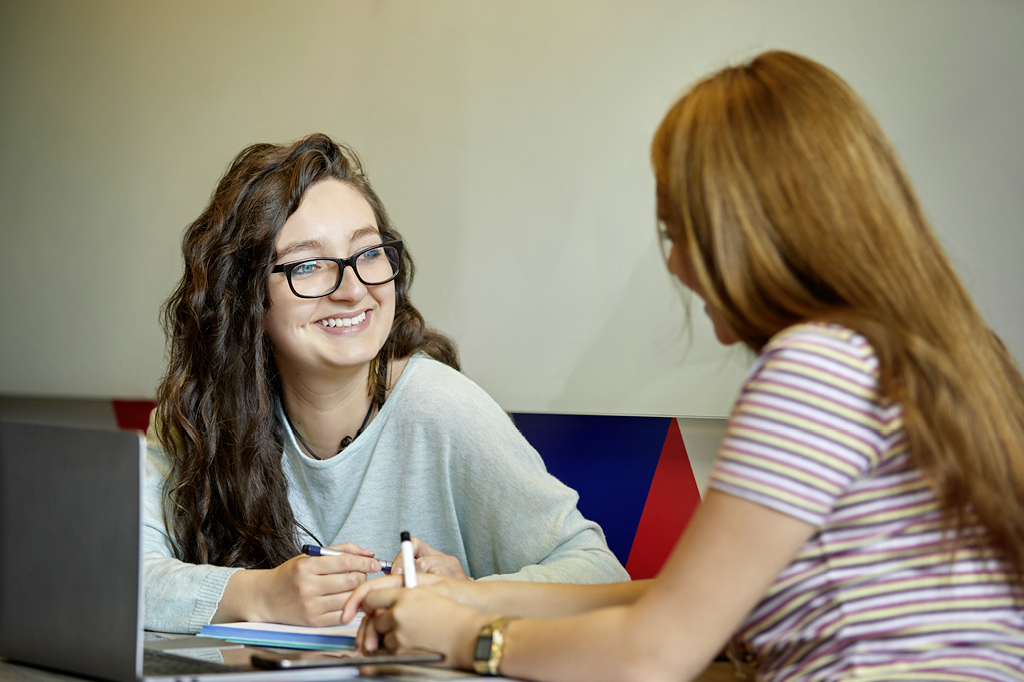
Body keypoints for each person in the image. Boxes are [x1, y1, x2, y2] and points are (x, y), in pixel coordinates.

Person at [343, 51, 1024, 681]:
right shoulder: (930, 359)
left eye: (677, 230)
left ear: (748, 230)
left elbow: (658, 647)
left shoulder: (818, 368)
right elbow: (683, 599)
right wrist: (470, 596)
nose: (674, 264)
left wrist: (470, 635)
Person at [144, 133, 628, 634]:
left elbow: (601, 575)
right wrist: (263, 594)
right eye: (308, 265)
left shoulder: (442, 408)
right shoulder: (196, 417)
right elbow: (123, 576)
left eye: (369, 254)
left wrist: (469, 596)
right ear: (247, 300)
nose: (354, 290)